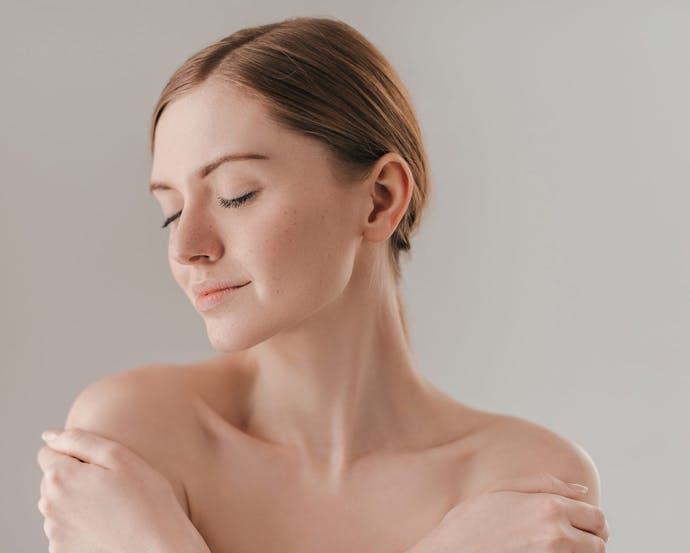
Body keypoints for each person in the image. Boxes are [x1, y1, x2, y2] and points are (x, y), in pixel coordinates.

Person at [37, 16, 610, 553]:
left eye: (236, 195)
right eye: (171, 211)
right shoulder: (134, 433)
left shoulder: (525, 484)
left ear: (380, 199)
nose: (187, 247)